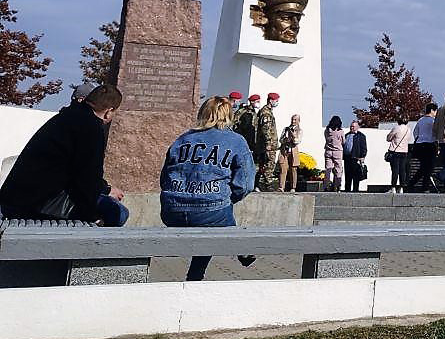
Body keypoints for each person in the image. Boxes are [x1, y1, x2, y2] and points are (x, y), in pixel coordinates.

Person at [0, 83, 128, 225]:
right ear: (109, 111)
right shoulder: (91, 127)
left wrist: (105, 189)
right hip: (38, 203)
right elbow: (87, 177)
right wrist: (92, 217)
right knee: (117, 212)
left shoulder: (65, 117)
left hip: (16, 197)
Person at [159, 95, 257, 281]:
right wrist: (227, 198)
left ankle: (198, 274)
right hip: (211, 211)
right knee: (217, 216)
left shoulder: (182, 139)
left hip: (171, 210)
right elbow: (246, 185)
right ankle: (241, 249)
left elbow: (164, 178)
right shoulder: (236, 141)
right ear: (228, 115)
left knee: (213, 219)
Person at [407, 104, 438, 192]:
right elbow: (436, 133)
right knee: (429, 167)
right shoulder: (433, 121)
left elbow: (415, 132)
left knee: (424, 167)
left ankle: (412, 184)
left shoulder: (420, 120)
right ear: (432, 110)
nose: (436, 113)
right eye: (435, 111)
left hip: (419, 146)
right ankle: (424, 187)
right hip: (430, 145)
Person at [256, 94, 281, 191]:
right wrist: (268, 143)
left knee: (264, 164)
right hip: (268, 145)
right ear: (271, 101)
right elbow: (266, 129)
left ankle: (259, 184)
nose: (277, 102)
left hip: (268, 144)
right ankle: (267, 184)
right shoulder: (266, 113)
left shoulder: (267, 111)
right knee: (269, 164)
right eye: (276, 100)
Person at [386, 115, 411, 192]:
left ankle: (393, 187)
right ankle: (401, 187)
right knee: (402, 170)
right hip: (404, 151)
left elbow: (388, 138)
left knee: (395, 170)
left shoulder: (396, 128)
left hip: (395, 152)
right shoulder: (408, 129)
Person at [278, 113, 302, 192]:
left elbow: (297, 141)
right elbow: (281, 139)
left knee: (293, 169)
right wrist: (284, 140)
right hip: (285, 151)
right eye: (292, 119)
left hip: (293, 151)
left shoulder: (299, 130)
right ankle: (281, 187)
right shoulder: (286, 129)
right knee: (283, 168)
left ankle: (293, 187)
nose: (293, 121)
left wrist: (293, 136)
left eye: (295, 120)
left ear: (298, 121)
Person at [342, 121, 368, 192]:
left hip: (356, 158)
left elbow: (364, 147)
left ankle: (355, 190)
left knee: (356, 176)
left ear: (357, 127)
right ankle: (347, 189)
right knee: (347, 175)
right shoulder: (346, 135)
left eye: (353, 126)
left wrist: (362, 156)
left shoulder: (361, 136)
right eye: (351, 126)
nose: (352, 128)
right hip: (347, 158)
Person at [323, 116, 345, 191]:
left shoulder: (327, 130)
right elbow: (343, 141)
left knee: (328, 169)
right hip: (337, 151)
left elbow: (326, 138)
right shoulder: (340, 131)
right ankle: (337, 186)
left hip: (328, 151)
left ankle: (326, 186)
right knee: (338, 169)